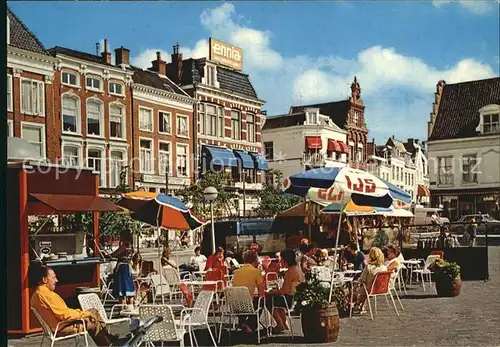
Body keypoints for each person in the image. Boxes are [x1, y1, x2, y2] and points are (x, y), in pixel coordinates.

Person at [31, 266, 118, 346]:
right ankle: (107, 344)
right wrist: (84, 314)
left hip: (56, 326)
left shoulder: (37, 294)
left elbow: (64, 313)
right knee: (92, 321)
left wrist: (85, 313)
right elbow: (66, 315)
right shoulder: (47, 295)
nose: (56, 280)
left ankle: (108, 337)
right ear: (45, 280)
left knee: (93, 312)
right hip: (62, 327)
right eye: (54, 278)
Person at [266, 250, 304, 334]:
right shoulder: (297, 269)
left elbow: (283, 291)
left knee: (268, 301)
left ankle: (280, 324)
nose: (280, 261)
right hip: (294, 298)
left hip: (289, 299)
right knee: (277, 302)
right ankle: (284, 323)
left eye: (282, 259)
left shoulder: (290, 272)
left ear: (286, 260)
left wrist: (269, 293)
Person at [232, 250, 266, 333]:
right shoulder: (256, 272)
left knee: (245, 300)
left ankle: (243, 322)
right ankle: (251, 325)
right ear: (254, 261)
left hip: (235, 305)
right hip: (248, 305)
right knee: (262, 300)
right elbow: (262, 292)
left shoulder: (236, 272)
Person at [352, 247, 387, 313]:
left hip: (369, 289)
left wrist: (355, 283)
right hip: (380, 288)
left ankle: (357, 303)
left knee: (356, 286)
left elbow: (361, 279)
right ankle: (360, 306)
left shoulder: (368, 267)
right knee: (364, 286)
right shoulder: (384, 268)